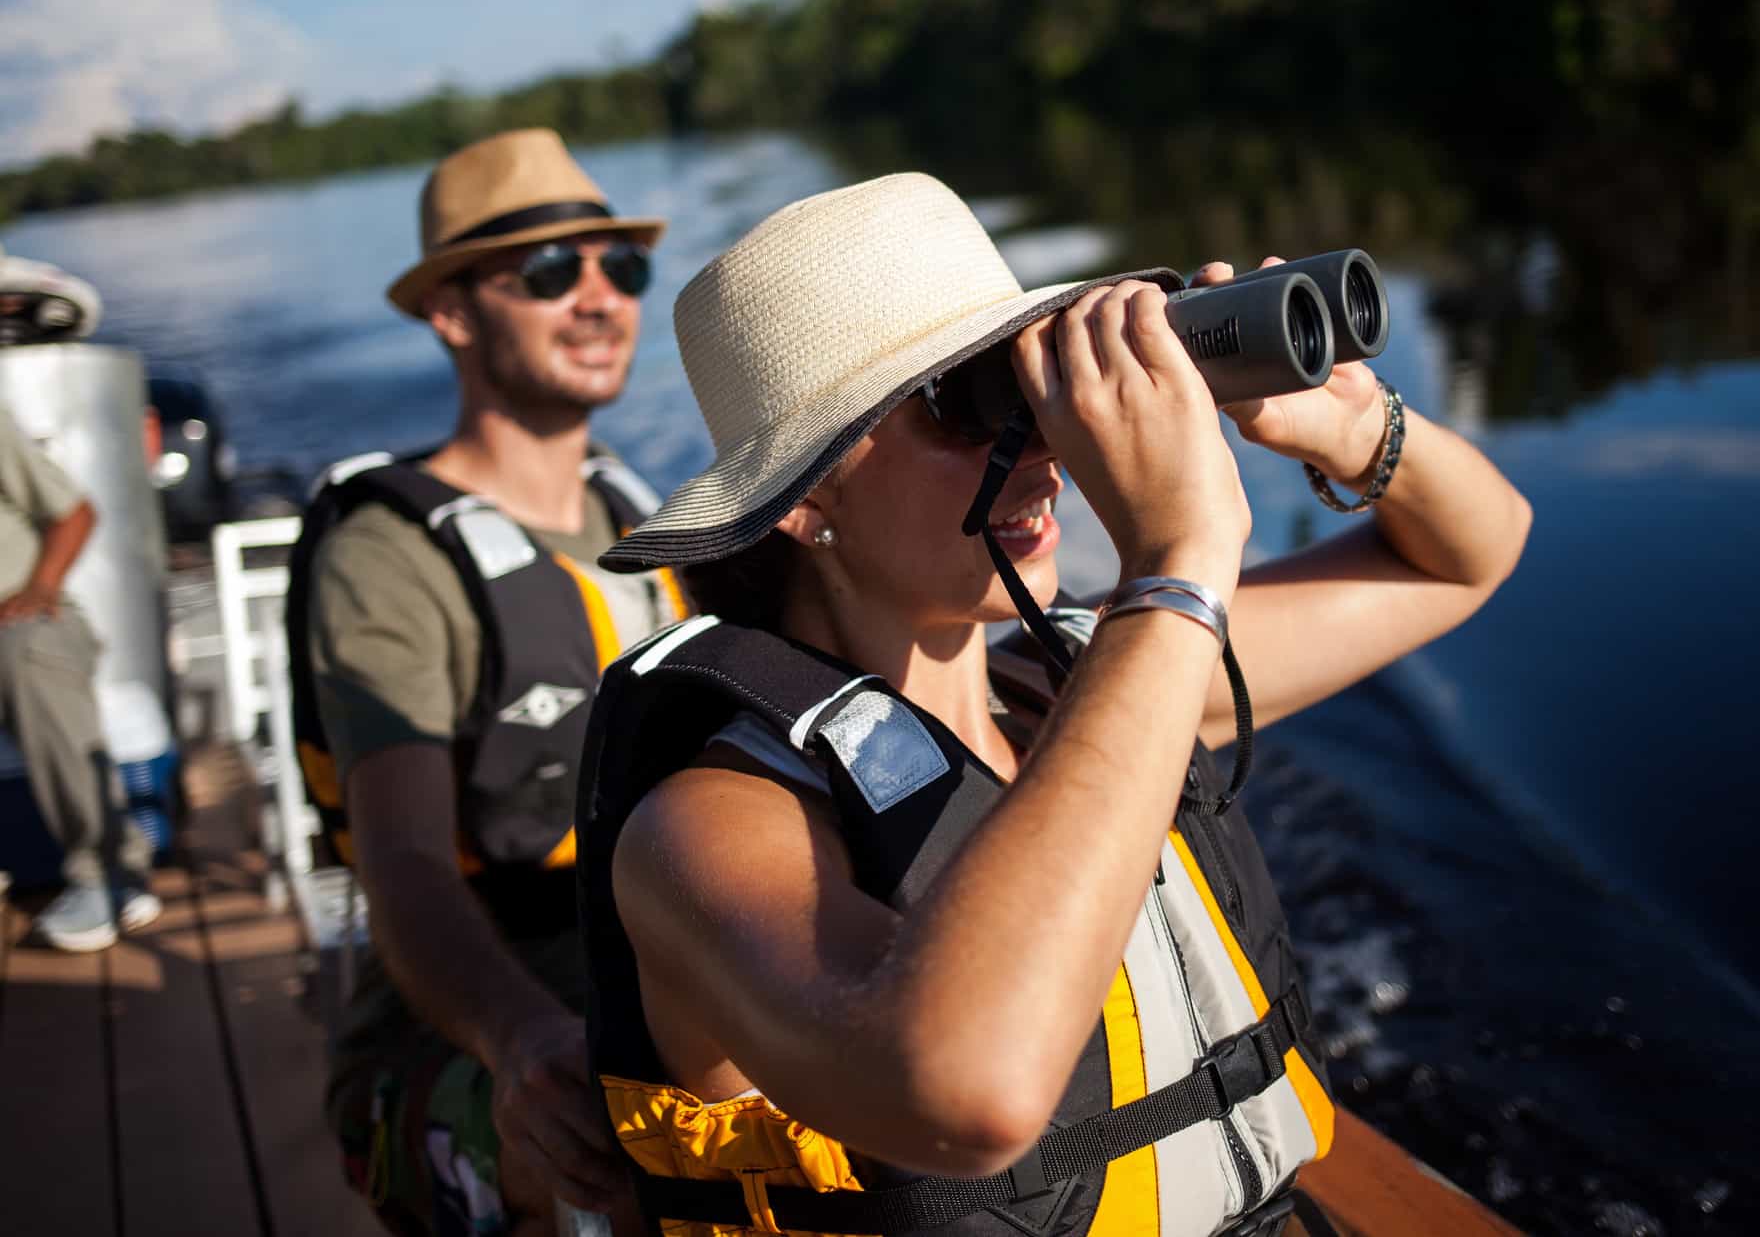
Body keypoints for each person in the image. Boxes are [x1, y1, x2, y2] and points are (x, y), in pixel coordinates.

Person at [574, 173, 1533, 1236]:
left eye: (1027, 387)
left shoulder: (1084, 682)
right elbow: (962, 1097)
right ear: (805, 497)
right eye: (963, 401)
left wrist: (1347, 429)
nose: (1034, 444)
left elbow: (1465, 558)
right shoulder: (706, 826)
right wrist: (1175, 567)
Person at [287, 129, 686, 1237]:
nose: (599, 298)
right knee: (624, 1144)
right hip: (459, 1034)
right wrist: (518, 1038)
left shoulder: (635, 515)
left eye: (621, 267)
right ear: (451, 313)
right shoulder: (390, 552)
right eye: (551, 273)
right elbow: (403, 862)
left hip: (660, 966)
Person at [0, 404, 161, 952]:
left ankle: (107, 871)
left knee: (31, 652)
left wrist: (40, 588)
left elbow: (75, 514)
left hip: (18, 615)